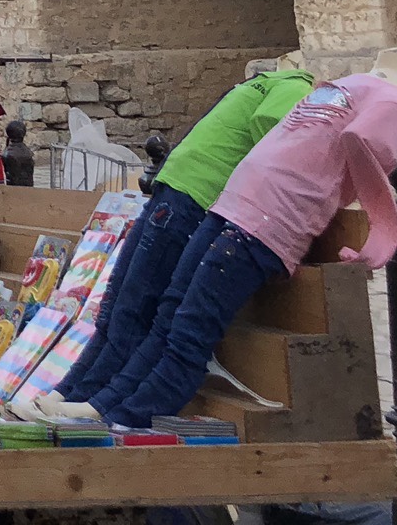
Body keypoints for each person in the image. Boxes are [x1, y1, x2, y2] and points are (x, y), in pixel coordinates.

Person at [52, 63, 314, 404]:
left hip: (173, 185)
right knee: (141, 307)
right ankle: (88, 398)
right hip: (198, 197)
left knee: (123, 302)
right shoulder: (298, 88)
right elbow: (274, 132)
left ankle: (71, 394)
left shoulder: (257, 85)